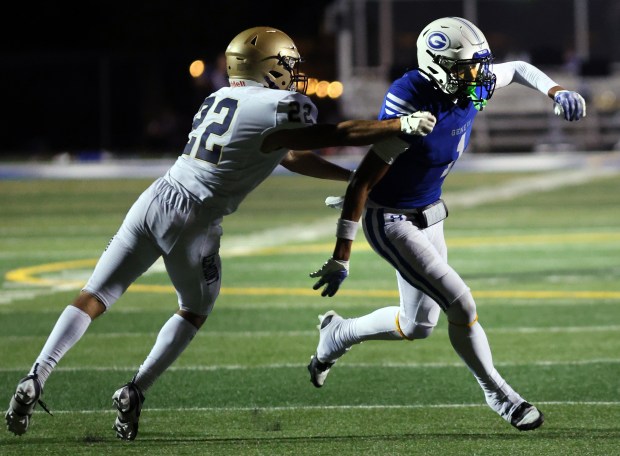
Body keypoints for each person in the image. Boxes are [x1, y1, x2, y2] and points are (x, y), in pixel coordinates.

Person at [5, 26, 436, 441]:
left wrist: (347, 179)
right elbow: (332, 133)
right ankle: (135, 389)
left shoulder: (218, 97)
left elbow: (286, 153)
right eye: (285, 63)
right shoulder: (278, 104)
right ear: (266, 65)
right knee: (194, 309)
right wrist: (396, 126)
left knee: (96, 293)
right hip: (196, 218)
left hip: (156, 197)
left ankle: (36, 374)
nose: (291, 71)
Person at [307, 16, 586, 431]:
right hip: (392, 219)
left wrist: (556, 90)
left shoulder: (470, 82)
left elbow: (518, 70)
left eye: (478, 65)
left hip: (429, 211)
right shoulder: (410, 103)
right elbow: (363, 181)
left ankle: (337, 334)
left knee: (417, 325)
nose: (479, 76)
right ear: (438, 66)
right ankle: (500, 395)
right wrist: (341, 255)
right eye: (467, 67)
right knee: (461, 303)